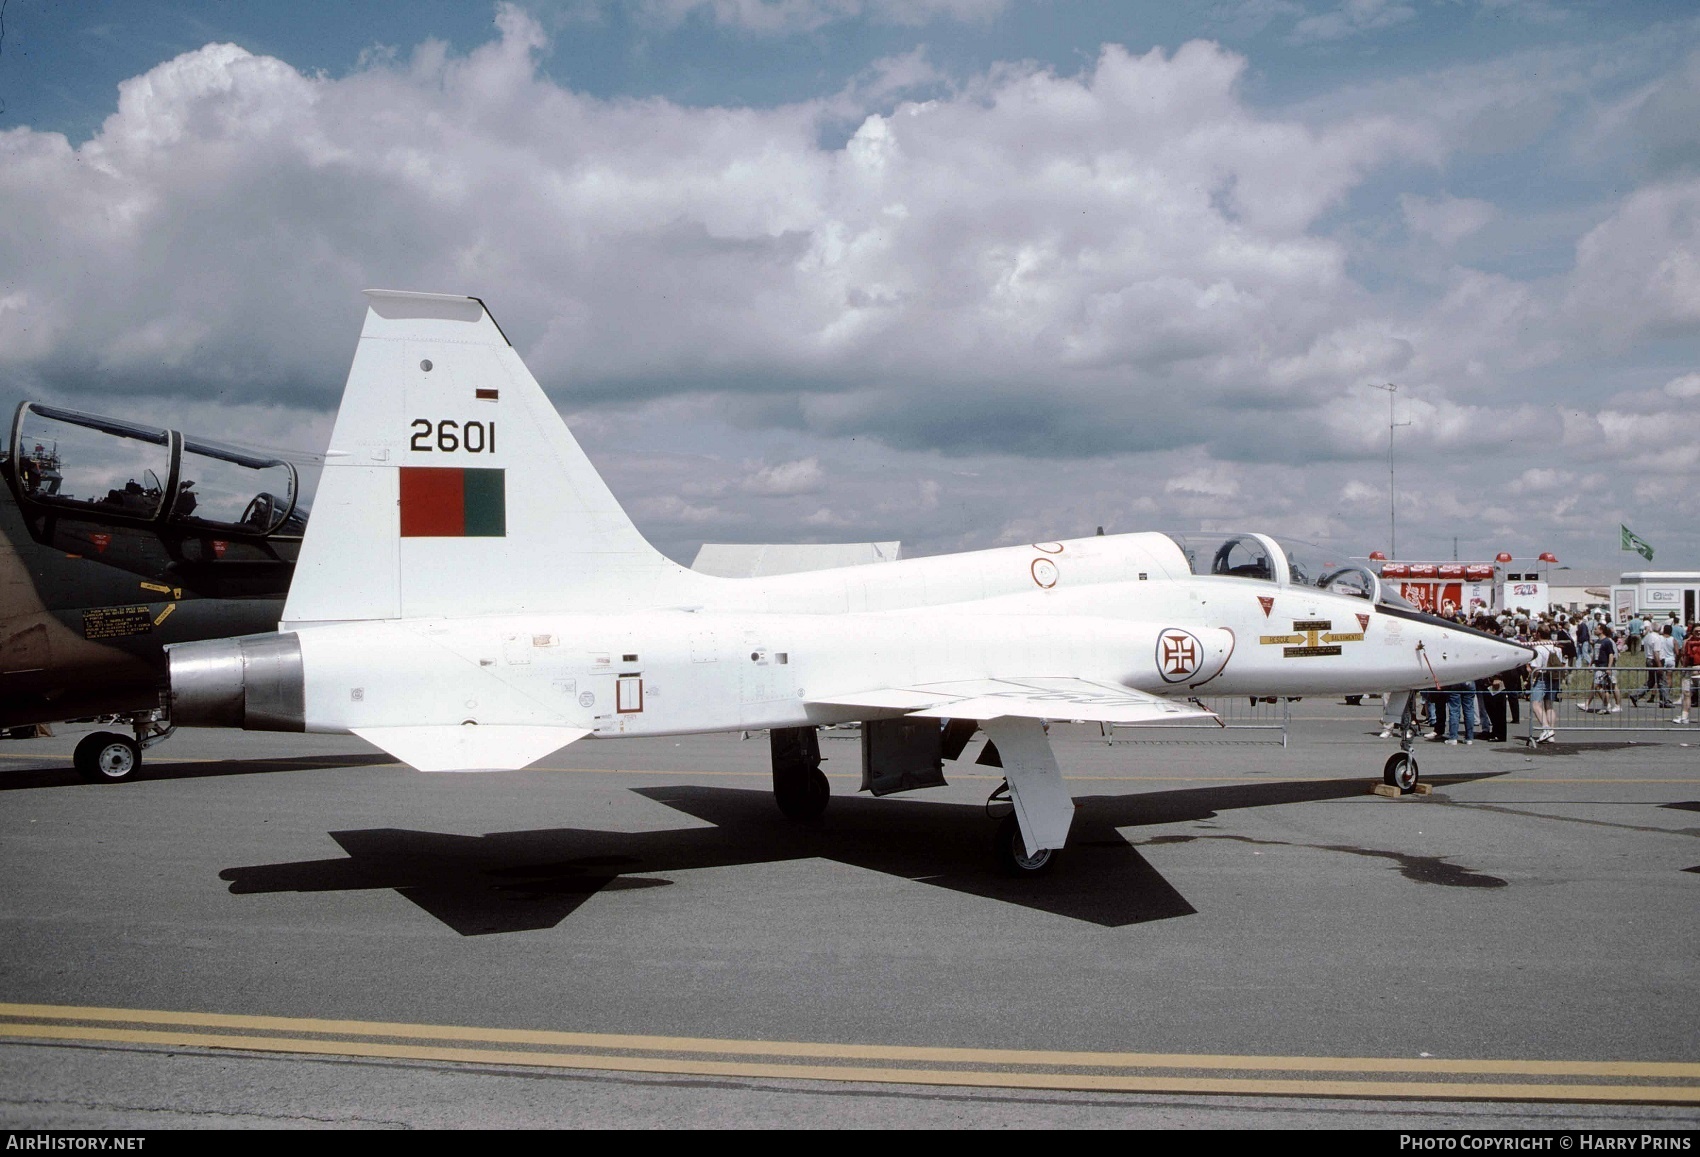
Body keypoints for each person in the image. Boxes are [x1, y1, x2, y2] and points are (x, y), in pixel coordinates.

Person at [1528, 626, 1562, 744]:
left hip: (1542, 676)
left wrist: (1531, 678)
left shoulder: (1538, 648)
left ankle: (1546, 728)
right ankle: (1551, 732)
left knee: (1535, 704)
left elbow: (1535, 667)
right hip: (1555, 677)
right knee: (1549, 705)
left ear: (1538, 634)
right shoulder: (1556, 648)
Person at [1632, 624, 1675, 709]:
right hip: (1656, 661)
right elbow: (1656, 652)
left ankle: (1636, 695)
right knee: (1662, 681)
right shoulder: (1657, 638)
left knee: (1651, 681)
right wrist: (1659, 666)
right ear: (1659, 629)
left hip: (1649, 659)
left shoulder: (1648, 637)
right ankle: (1664, 701)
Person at [1582, 626, 1621, 714]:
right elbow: (1595, 654)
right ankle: (1605, 705)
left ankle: (1613, 705)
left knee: (1606, 686)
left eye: (1596, 629)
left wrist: (1609, 667)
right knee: (1599, 686)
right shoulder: (1597, 642)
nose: (1594, 630)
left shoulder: (1607, 641)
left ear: (1601, 630)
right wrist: (1590, 664)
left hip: (1604, 666)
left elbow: (1611, 655)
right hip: (1598, 666)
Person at [1678, 623, 1700, 726]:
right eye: (1696, 631)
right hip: (1689, 670)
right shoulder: (1686, 642)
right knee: (1686, 694)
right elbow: (1684, 656)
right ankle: (1684, 716)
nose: (1698, 632)